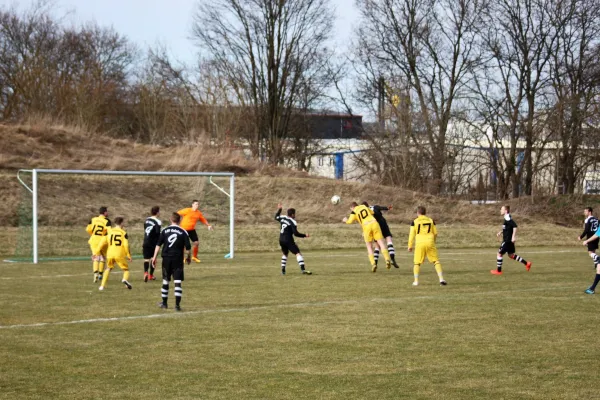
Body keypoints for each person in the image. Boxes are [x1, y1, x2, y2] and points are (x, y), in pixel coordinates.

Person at [152, 212, 192, 311]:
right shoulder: (183, 231)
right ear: (180, 221)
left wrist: (154, 257)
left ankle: (164, 304)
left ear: (171, 219)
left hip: (166, 258)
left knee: (165, 280)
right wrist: (188, 257)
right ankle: (177, 306)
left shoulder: (165, 230)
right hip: (177, 259)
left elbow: (158, 245)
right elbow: (188, 247)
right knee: (177, 281)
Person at [343, 201, 391, 272]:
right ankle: (387, 259)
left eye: (351, 209)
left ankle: (373, 264)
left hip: (366, 227)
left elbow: (350, 221)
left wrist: (345, 220)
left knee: (369, 246)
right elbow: (372, 213)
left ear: (352, 207)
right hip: (374, 223)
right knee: (381, 242)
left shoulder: (354, 212)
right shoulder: (364, 206)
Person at [408, 206, 446, 286]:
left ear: (418, 213)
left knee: (417, 263)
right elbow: (435, 233)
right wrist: (433, 241)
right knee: (436, 261)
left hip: (420, 243)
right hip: (430, 241)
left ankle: (416, 281)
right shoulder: (431, 220)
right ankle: (441, 279)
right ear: (425, 213)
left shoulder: (414, 222)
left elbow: (411, 235)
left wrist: (410, 245)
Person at [491, 205, 532, 275]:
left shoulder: (507, 218)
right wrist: (501, 232)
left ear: (505, 211)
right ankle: (527, 263)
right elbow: (508, 227)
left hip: (507, 240)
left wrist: (513, 237)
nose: (500, 210)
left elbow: (515, 226)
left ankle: (498, 271)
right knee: (511, 255)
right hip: (508, 240)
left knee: (499, 254)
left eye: (502, 209)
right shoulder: (507, 217)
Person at [97, 217, 133, 291]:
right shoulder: (123, 233)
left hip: (110, 253)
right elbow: (126, 245)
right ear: (121, 223)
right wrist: (128, 255)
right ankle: (124, 279)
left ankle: (102, 286)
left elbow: (102, 243)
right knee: (126, 270)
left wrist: (97, 252)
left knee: (108, 268)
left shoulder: (109, 231)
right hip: (119, 253)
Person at [275, 203, 312, 275]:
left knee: (285, 254)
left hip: (281, 239)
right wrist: (305, 235)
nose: (295, 215)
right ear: (292, 214)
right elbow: (295, 233)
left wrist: (279, 209)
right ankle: (303, 270)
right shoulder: (293, 221)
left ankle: (283, 271)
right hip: (288, 240)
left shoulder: (283, 217)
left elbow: (276, 217)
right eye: (294, 214)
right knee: (298, 253)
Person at [362, 201, 399, 268]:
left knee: (377, 245)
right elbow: (383, 208)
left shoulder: (365, 212)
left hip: (375, 226)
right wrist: (388, 208)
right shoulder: (375, 207)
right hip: (382, 223)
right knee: (388, 239)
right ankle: (392, 259)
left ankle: (375, 263)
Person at [86, 206, 111, 283]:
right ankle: (100, 274)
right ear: (104, 212)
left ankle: (95, 274)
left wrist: (93, 234)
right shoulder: (107, 221)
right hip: (102, 240)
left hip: (93, 240)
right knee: (103, 257)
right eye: (107, 211)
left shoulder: (93, 219)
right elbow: (109, 231)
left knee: (95, 257)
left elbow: (88, 229)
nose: (108, 213)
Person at [143, 206, 162, 282]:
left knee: (146, 259)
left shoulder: (146, 220)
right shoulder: (158, 221)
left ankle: (145, 273)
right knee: (154, 259)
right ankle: (151, 275)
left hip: (146, 241)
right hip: (153, 242)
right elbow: (157, 233)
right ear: (157, 212)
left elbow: (145, 229)